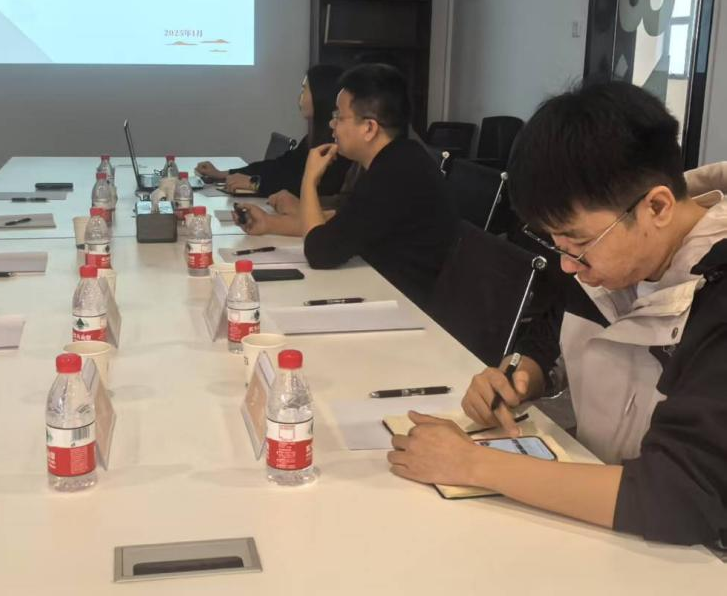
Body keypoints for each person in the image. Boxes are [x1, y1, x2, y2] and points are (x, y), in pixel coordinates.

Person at [388, 81, 727, 547]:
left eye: (578, 242)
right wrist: (524, 375)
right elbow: (553, 335)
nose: (568, 265)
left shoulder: (715, 298)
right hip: (606, 518)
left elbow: (679, 495)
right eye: (556, 243)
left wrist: (473, 464)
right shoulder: (612, 256)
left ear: (657, 207)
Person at [241, 63, 456, 305]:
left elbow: (320, 252)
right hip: (382, 287)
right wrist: (270, 223)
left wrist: (309, 180)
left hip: (406, 304)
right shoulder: (398, 158)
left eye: (339, 117)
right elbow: (341, 225)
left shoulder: (395, 173)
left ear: (369, 128)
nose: (332, 125)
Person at [197, 65, 351, 201]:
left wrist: (256, 184)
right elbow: (280, 167)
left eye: (304, 89)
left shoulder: (338, 145)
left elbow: (316, 189)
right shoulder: (312, 139)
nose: (300, 96)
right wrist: (225, 174)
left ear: (321, 95)